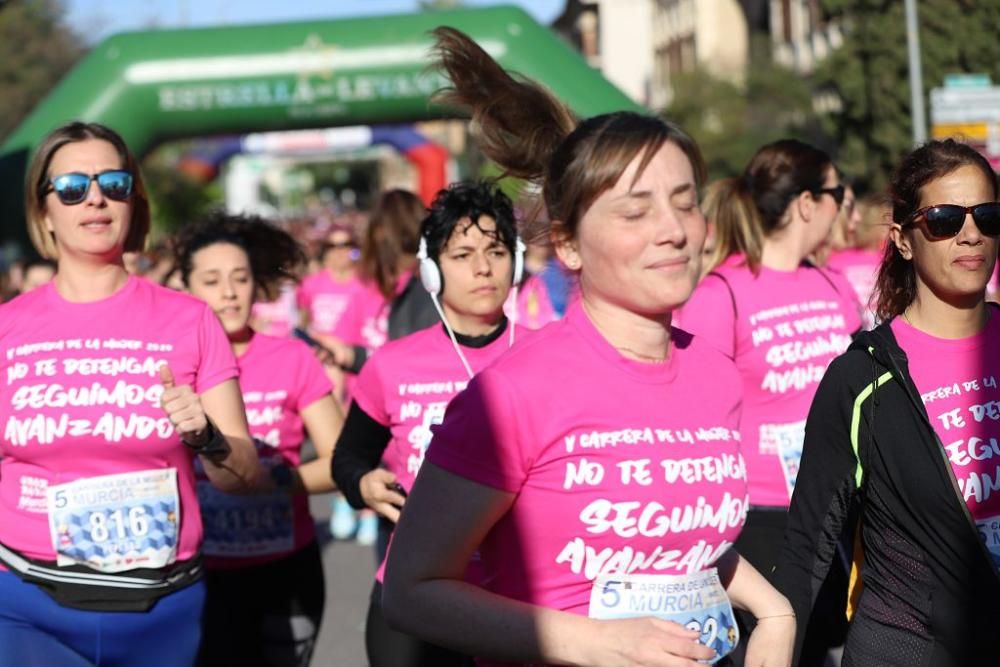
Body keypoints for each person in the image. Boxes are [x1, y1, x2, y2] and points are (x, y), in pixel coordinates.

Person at [380, 27, 795, 667]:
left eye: (684, 204)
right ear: (568, 243)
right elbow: (412, 590)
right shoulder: (511, 394)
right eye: (634, 213)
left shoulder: (714, 372)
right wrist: (600, 644)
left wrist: (773, 611)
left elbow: (686, 543)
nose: (673, 231)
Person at [0, 121, 260, 666]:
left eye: (113, 182)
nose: (95, 197)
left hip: (163, 612)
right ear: (44, 211)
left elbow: (243, 476)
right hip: (25, 602)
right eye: (71, 186)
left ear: (132, 201)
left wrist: (206, 436)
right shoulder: (7, 328)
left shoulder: (190, 320)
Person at [775, 139, 1000, 664]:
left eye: (988, 216)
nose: (971, 234)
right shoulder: (861, 379)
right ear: (902, 239)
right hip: (907, 649)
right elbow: (808, 544)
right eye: (944, 219)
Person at [678, 139, 861, 663]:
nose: (841, 206)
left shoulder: (832, 284)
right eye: (836, 193)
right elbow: (693, 415)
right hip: (758, 518)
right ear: (808, 202)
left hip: (835, 508)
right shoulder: (721, 293)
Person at [332, 180, 524, 667]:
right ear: (432, 271)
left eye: (497, 251)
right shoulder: (392, 365)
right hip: (415, 598)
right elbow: (347, 459)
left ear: (516, 262)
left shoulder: (551, 357)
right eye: (462, 254)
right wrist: (363, 483)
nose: (483, 268)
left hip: (522, 601)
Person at [174, 212, 343, 666]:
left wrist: (275, 480)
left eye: (240, 278)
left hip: (284, 570)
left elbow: (342, 461)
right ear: (187, 288)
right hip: (198, 575)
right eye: (211, 280)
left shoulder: (292, 358)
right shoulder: (168, 366)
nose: (229, 293)